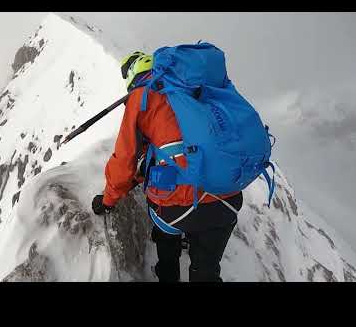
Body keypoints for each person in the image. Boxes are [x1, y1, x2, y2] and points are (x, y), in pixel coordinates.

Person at [92, 51, 243, 282]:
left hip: (176, 209)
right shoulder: (199, 89)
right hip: (227, 200)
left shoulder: (141, 98)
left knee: (165, 222)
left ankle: (167, 271)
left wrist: (108, 200)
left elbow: (125, 160)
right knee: (206, 271)